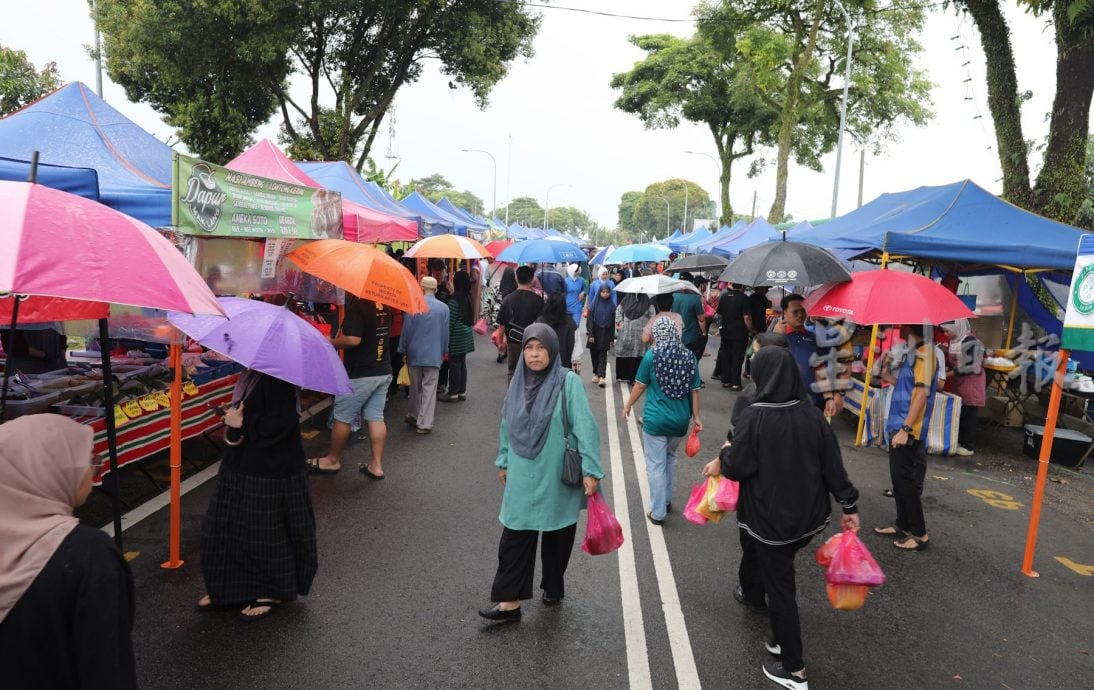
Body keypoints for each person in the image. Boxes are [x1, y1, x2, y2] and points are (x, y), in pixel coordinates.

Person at [703, 347, 860, 690]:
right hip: (808, 519)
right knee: (780, 576)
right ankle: (778, 638)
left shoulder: (755, 416)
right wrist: (849, 506)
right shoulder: (811, 415)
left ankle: (794, 670)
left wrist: (725, 454)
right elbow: (834, 467)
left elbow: (738, 466)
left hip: (771, 522)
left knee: (781, 589)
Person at [0, 414, 137, 688]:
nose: (93, 471)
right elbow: (108, 670)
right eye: (90, 461)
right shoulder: (89, 554)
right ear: (49, 469)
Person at [479, 325, 604, 622]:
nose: (534, 355)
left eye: (540, 348)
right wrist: (504, 459)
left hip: (556, 471)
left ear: (551, 349)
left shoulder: (567, 382)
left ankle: (553, 585)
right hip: (523, 470)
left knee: (557, 531)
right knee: (515, 532)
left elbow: (585, 427)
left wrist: (591, 470)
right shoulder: (518, 382)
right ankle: (509, 602)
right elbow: (507, 424)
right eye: (528, 348)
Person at [198, 370, 318, 620]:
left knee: (265, 533)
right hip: (240, 463)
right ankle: (226, 590)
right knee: (223, 526)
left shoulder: (279, 378)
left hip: (270, 469)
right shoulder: (253, 375)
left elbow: (282, 423)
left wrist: (241, 422)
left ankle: (271, 591)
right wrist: (233, 411)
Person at [622, 316, 703, 525]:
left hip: (655, 420)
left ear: (657, 333)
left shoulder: (652, 356)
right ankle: (666, 500)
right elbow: (694, 391)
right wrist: (697, 418)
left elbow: (639, 385)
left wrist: (628, 405)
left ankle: (658, 512)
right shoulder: (689, 357)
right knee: (670, 458)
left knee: (655, 465)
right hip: (679, 422)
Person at [308, 296, 391, 477]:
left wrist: (331, 342)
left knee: (343, 417)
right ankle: (376, 466)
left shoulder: (359, 307)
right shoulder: (385, 305)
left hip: (360, 373)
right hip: (383, 369)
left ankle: (332, 460)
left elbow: (353, 340)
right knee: (376, 417)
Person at [874, 324, 937, 551]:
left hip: (908, 428)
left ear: (912, 326)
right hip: (898, 423)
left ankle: (920, 533)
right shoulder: (914, 352)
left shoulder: (926, 354)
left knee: (905, 480)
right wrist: (887, 374)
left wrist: (906, 429)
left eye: (904, 324)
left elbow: (921, 394)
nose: (899, 327)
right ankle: (903, 524)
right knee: (898, 479)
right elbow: (909, 387)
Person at [773, 294, 850, 417]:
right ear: (785, 312)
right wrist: (776, 337)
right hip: (783, 403)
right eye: (795, 311)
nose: (800, 315)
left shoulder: (813, 338)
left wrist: (829, 398)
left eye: (803, 311)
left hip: (813, 402)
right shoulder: (774, 336)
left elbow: (820, 369)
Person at [399, 276, 450, 435]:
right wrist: (444, 351)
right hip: (434, 353)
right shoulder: (444, 308)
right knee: (430, 388)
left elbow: (406, 331)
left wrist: (403, 349)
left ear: (421, 288)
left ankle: (414, 415)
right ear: (435, 289)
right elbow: (445, 333)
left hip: (415, 352)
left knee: (415, 388)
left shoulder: (413, 305)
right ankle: (425, 423)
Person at [495, 266, 546, 383]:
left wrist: (500, 343)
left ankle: (512, 398)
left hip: (513, 341)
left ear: (517, 278)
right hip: (533, 341)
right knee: (531, 371)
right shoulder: (538, 300)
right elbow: (543, 324)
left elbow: (502, 324)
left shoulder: (508, 299)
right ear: (532, 279)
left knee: (512, 371)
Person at [943, 319, 985, 456]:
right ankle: (960, 441)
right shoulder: (955, 341)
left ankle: (968, 445)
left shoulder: (970, 341)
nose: (945, 334)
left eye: (947, 330)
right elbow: (952, 362)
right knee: (960, 412)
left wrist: (948, 373)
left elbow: (969, 365)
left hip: (971, 382)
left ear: (956, 328)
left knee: (969, 414)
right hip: (960, 382)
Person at [442, 270, 476, 402]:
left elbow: (450, 321)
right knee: (462, 363)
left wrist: (446, 338)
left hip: (457, 335)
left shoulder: (455, 299)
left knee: (454, 363)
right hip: (466, 333)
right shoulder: (468, 296)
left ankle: (453, 393)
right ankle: (462, 391)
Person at [716, 283, 753, 390]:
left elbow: (720, 313)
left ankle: (726, 381)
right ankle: (736, 383)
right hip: (739, 332)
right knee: (738, 356)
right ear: (742, 287)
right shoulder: (744, 298)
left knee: (726, 355)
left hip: (726, 330)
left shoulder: (724, 296)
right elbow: (747, 317)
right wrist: (750, 330)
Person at [614, 292, 653, 383]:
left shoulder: (647, 302)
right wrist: (621, 322)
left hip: (641, 335)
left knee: (638, 355)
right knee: (624, 353)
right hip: (626, 333)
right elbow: (618, 311)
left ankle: (635, 378)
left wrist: (648, 329)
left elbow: (652, 316)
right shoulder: (626, 299)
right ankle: (623, 376)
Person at [536, 292, 579, 371]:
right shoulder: (570, 323)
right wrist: (576, 363)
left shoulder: (539, 322)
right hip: (564, 367)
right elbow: (576, 349)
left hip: (542, 365)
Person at [671, 281, 707, 367]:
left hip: (674, 334)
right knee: (688, 361)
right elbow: (701, 319)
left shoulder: (673, 296)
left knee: (675, 360)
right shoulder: (695, 298)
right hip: (689, 336)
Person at [586, 283, 616, 386]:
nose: (605, 294)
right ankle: (595, 373)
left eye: (607, 292)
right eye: (603, 292)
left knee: (603, 354)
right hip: (595, 331)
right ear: (599, 293)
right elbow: (590, 320)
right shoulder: (594, 305)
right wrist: (590, 334)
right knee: (594, 353)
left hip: (606, 332)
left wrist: (612, 337)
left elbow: (612, 323)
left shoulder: (612, 306)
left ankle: (602, 376)